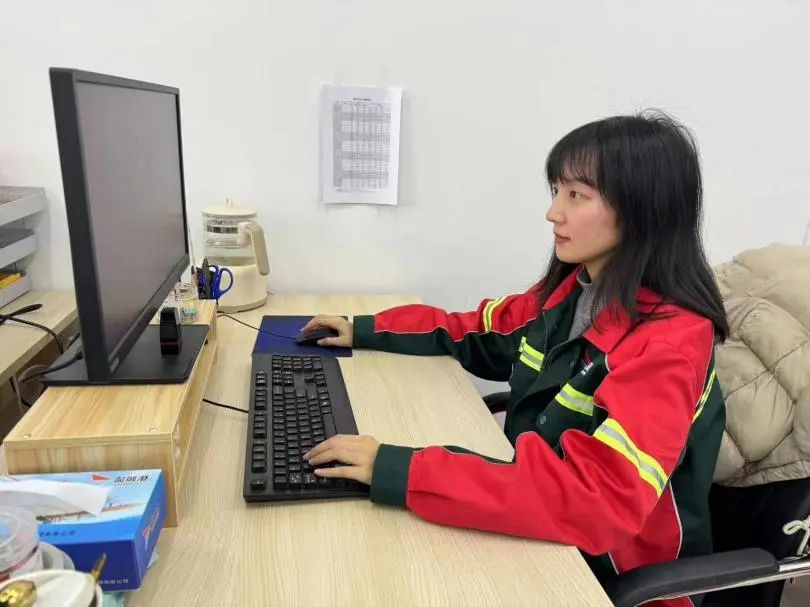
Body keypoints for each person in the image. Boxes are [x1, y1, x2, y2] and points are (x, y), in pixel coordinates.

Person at [301, 111, 728, 607]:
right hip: (544, 529)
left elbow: (597, 501)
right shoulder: (571, 292)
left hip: (612, 576)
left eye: (576, 195)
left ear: (641, 209)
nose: (553, 213)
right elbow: (476, 330)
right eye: (556, 191)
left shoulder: (668, 344)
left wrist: (399, 469)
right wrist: (364, 329)